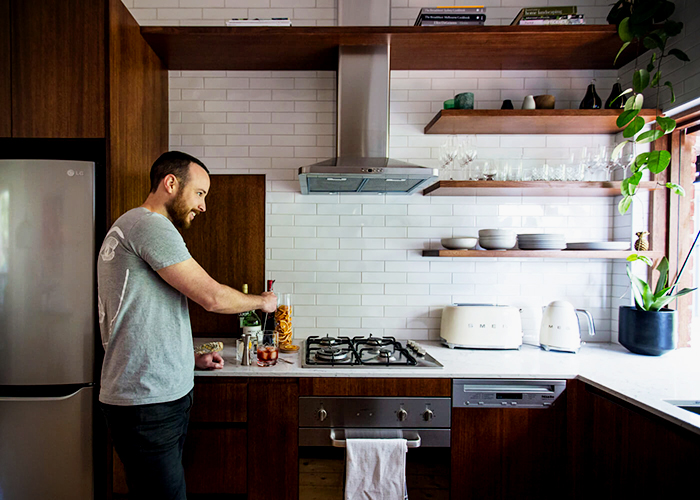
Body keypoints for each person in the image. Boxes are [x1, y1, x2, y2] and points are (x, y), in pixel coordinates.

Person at [97, 151, 277, 500]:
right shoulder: (150, 225)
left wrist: (189, 358)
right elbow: (211, 297)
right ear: (171, 183)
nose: (203, 206)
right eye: (200, 193)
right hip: (147, 404)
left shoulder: (132, 225)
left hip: (149, 397)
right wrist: (262, 301)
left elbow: (143, 317)